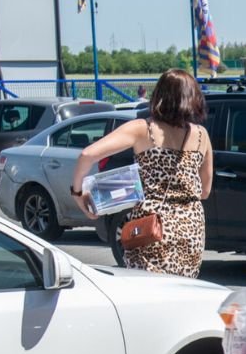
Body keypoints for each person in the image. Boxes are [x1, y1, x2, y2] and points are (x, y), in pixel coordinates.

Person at [71, 69, 213, 277]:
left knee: (147, 293)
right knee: (182, 293)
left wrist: (77, 193)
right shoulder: (201, 135)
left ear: (159, 96)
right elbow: (205, 191)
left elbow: (87, 155)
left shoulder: (143, 129)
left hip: (151, 227)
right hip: (191, 228)